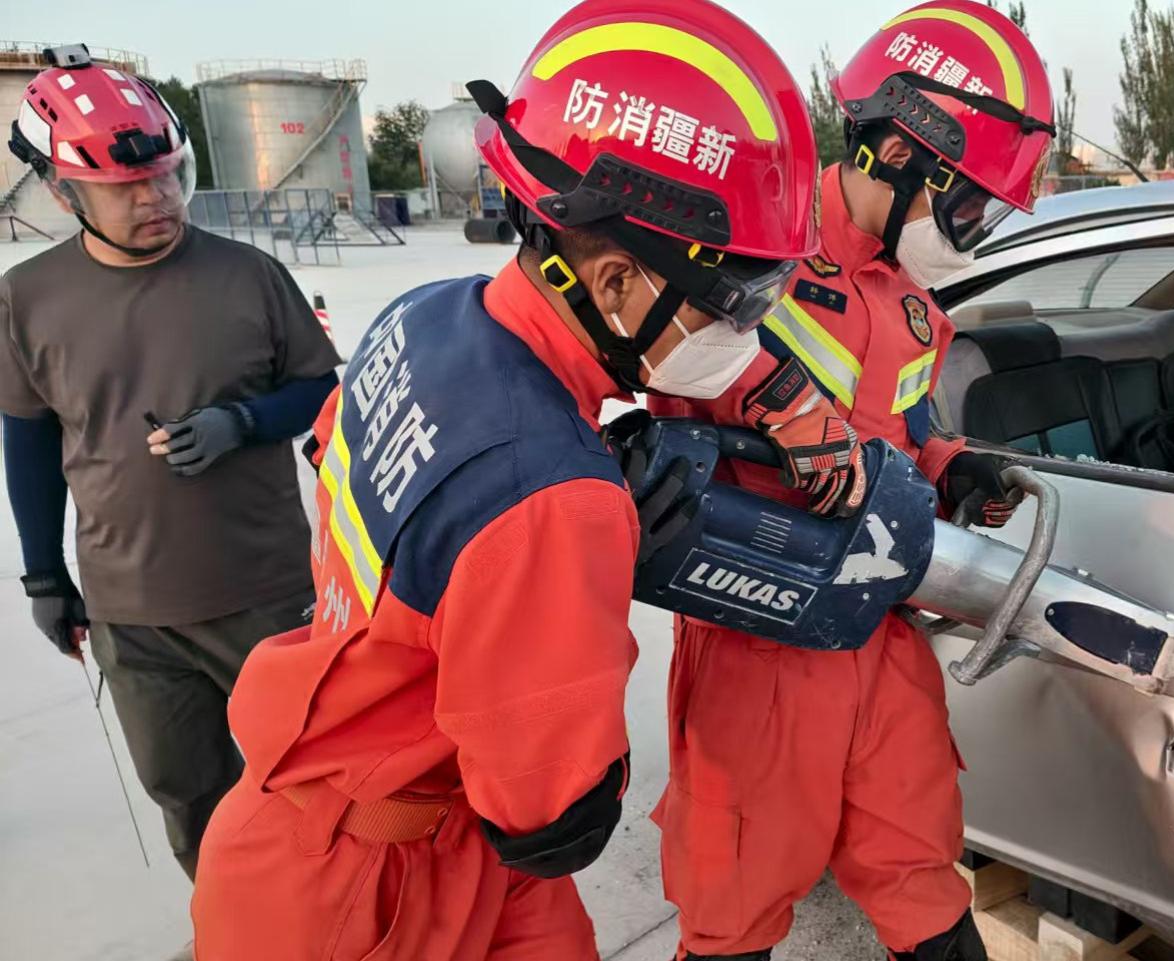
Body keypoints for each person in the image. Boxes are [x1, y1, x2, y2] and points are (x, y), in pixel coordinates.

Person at [189, 3, 859, 959]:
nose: (746, 334)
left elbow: (347, 465)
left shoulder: (424, 315)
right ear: (619, 282)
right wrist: (581, 575)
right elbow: (552, 818)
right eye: (741, 302)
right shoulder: (554, 499)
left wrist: (764, 392)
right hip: (364, 900)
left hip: (339, 811)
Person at [647, 4, 1056, 957]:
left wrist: (956, 471)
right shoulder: (747, 248)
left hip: (877, 629)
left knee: (920, 867)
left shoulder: (916, 312)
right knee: (734, 896)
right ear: (906, 153)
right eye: (970, 201)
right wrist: (781, 400)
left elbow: (906, 435)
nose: (971, 229)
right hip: (760, 626)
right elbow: (652, 349)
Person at [0, 44, 340, 879]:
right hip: (132, 611)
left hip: (268, 595)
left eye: (167, 177)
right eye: (125, 190)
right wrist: (45, 577)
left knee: (316, 785)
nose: (155, 199)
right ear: (62, 191)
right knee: (189, 797)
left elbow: (320, 392)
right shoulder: (27, 297)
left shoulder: (249, 276)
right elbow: (29, 438)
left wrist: (244, 420)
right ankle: (231, 924)